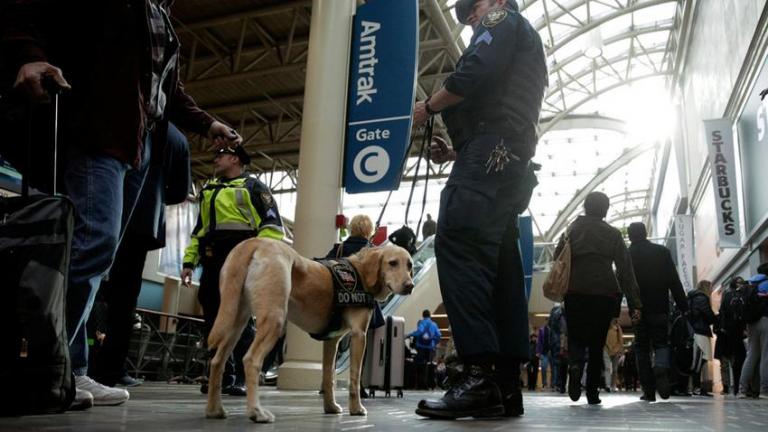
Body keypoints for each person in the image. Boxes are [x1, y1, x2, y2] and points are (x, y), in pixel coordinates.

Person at [1, 0, 243, 410]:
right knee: (93, 244)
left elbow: (164, 89)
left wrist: (206, 123)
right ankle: (47, 367)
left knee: (99, 253)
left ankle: (70, 370)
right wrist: (30, 57)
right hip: (98, 126)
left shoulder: (158, 15)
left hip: (137, 142)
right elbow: (27, 10)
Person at [411, 0, 547, 419]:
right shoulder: (521, 37)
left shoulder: (501, 19)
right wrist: (456, 152)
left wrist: (429, 107)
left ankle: (476, 375)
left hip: (492, 149)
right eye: (465, 13)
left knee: (457, 241)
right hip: (505, 158)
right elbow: (501, 101)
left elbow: (474, 73)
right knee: (500, 264)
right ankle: (505, 385)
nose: (470, 16)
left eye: (474, 8)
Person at [90, 123, 190, 388]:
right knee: (124, 300)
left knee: (89, 284)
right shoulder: (176, 138)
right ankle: (112, 368)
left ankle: (82, 359)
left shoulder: (123, 112)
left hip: (100, 204)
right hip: (143, 218)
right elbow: (179, 192)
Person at [181, 144, 284, 397]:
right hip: (212, 261)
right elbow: (200, 231)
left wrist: (260, 263)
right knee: (212, 317)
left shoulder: (254, 187)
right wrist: (188, 263)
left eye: (221, 155)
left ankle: (240, 376)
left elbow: (272, 227)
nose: (215, 159)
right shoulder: (208, 191)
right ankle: (220, 376)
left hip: (242, 261)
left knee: (240, 318)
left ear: (235, 159)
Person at [555, 192, 642, 405]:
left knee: (576, 336)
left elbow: (558, 256)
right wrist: (634, 303)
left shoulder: (571, 229)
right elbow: (625, 269)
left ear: (585, 207)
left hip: (575, 290)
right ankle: (592, 392)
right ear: (605, 209)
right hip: (604, 292)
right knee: (597, 343)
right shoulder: (612, 233)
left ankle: (575, 366)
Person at [626, 221, 688, 401]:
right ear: (645, 233)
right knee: (661, 343)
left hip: (637, 309)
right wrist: (683, 306)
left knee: (641, 348)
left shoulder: (627, 255)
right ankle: (661, 366)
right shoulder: (662, 252)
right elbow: (674, 281)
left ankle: (649, 391)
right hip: (660, 307)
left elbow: (621, 281)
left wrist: (615, 308)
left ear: (630, 236)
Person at [738, 263, 768, 399]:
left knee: (751, 356)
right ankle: (764, 390)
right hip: (765, 320)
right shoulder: (767, 283)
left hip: (750, 324)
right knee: (766, 356)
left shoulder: (749, 284)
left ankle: (742, 390)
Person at [716, 276, 748, 396]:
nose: (741, 284)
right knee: (738, 358)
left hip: (729, 333)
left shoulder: (727, 295)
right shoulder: (734, 295)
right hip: (735, 332)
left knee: (733, 361)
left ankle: (734, 387)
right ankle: (737, 387)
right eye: (739, 282)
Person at [687, 280, 717, 396]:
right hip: (700, 331)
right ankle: (697, 387)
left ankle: (696, 387)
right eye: (711, 287)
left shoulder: (693, 297)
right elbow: (707, 314)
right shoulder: (701, 298)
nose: (712, 290)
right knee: (700, 361)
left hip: (697, 331)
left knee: (699, 361)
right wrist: (715, 320)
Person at [408, 310, 442, 389]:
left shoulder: (422, 323)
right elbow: (439, 335)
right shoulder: (434, 324)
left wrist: (409, 334)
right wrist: (433, 343)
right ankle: (429, 384)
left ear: (423, 315)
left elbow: (419, 331)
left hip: (421, 348)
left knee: (418, 366)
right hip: (430, 349)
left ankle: (418, 385)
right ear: (430, 315)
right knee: (428, 365)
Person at [603, 318, 623, 392]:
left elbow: (620, 340)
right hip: (606, 349)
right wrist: (608, 347)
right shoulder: (605, 327)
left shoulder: (618, 328)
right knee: (607, 367)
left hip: (616, 350)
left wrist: (619, 349)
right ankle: (607, 385)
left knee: (615, 369)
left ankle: (613, 385)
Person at [535, 324, 552, 389]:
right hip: (544, 353)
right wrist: (538, 352)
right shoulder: (541, 330)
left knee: (554, 369)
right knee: (543, 368)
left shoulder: (552, 330)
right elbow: (539, 341)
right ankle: (544, 383)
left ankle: (552, 384)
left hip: (551, 352)